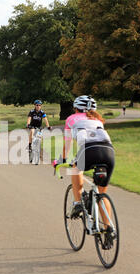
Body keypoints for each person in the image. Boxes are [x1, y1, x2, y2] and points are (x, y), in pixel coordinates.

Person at [53, 95, 115, 233]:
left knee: (75, 168)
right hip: (109, 152)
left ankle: (77, 203)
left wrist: (61, 161)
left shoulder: (71, 119)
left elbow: (67, 147)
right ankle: (109, 229)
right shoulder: (97, 119)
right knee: (101, 193)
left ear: (76, 109)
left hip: (89, 151)